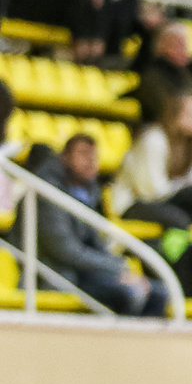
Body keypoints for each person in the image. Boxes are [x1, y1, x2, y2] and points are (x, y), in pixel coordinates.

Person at [34, 133, 166, 316]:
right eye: (82, 154)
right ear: (64, 157)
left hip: (83, 271)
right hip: (56, 273)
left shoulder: (88, 191)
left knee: (158, 292)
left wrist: (118, 268)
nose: (90, 161)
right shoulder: (46, 191)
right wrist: (114, 268)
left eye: (93, 156)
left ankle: (142, 344)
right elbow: (64, 250)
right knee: (128, 293)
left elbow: (95, 241)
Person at [113, 92, 192, 293]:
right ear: (174, 114)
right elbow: (151, 190)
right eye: (189, 112)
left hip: (167, 200)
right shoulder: (153, 139)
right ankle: (177, 270)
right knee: (181, 217)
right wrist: (182, 189)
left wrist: (182, 189)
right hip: (134, 202)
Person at [128, 23, 192, 126]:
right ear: (160, 48)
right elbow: (163, 108)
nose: (182, 49)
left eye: (184, 44)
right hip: (162, 128)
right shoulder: (152, 74)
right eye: (176, 44)